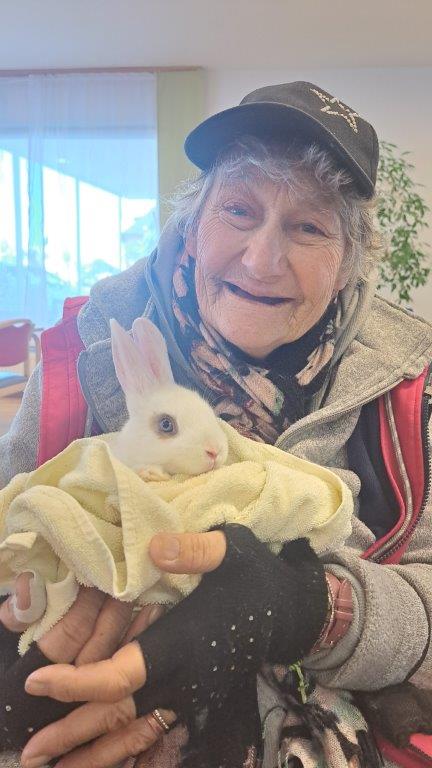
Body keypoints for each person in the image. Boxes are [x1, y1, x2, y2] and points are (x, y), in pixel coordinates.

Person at [1, 81, 432, 768]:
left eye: (309, 228)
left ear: (349, 263)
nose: (261, 261)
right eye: (238, 210)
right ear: (194, 225)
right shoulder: (80, 358)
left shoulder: (411, 388)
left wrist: (311, 609)